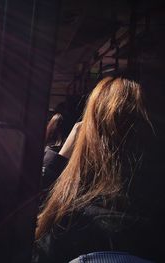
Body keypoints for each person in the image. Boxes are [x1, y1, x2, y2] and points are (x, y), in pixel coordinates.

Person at [32, 76, 162, 262]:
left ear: (91, 135)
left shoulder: (65, 222)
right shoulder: (153, 225)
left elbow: (25, 224)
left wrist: (58, 159)